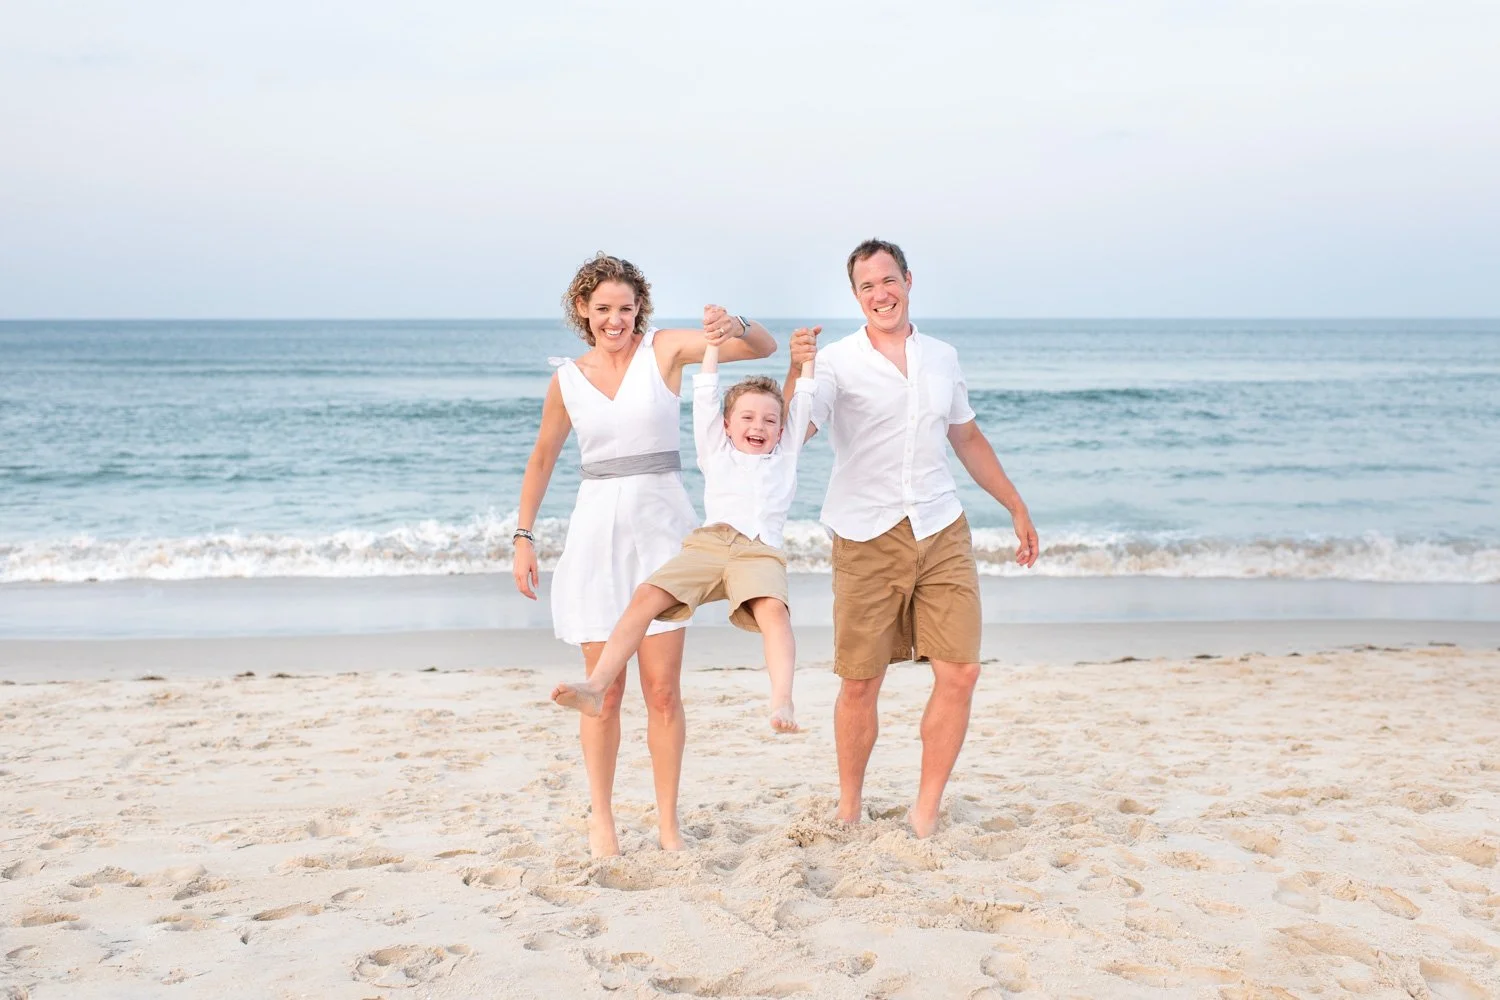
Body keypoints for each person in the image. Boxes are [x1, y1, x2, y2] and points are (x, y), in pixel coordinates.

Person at [513, 252, 775, 857]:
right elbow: (542, 459)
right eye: (602, 308)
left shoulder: (665, 351)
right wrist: (524, 537)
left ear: (640, 309)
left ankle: (667, 823)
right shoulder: (568, 379)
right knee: (600, 692)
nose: (615, 320)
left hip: (661, 530)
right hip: (594, 534)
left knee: (662, 691)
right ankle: (601, 820)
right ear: (582, 309)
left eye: (625, 308)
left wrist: (729, 322)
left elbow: (760, 347)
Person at [785, 238, 1040, 838]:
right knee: (860, 680)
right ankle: (849, 808)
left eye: (888, 280)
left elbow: (968, 439)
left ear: (907, 280)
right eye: (867, 286)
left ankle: (924, 813)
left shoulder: (943, 358)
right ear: (856, 296)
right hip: (865, 533)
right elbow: (798, 430)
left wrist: (1016, 506)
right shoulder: (838, 363)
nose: (881, 294)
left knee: (961, 671)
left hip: (940, 524)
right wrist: (798, 369)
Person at [551, 322, 818, 733]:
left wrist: (806, 365)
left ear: (782, 429)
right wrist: (711, 344)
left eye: (769, 420)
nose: (759, 426)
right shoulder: (715, 449)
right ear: (726, 425)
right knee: (645, 596)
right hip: (708, 547)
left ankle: (782, 700)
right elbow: (706, 391)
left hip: (759, 549)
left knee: (774, 613)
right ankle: (596, 685)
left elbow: (802, 401)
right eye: (747, 417)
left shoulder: (786, 454)